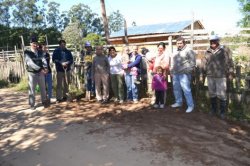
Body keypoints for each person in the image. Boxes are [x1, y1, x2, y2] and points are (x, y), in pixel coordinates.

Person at [200, 35, 234, 119]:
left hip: (221, 76)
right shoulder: (207, 51)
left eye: (214, 41)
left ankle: (222, 112)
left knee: (222, 95)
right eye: (211, 41)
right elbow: (204, 62)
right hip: (210, 76)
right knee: (212, 93)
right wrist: (202, 73)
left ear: (218, 41)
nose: (213, 43)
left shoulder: (224, 50)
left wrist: (231, 72)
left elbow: (230, 61)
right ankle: (213, 109)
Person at [170, 36, 196, 113]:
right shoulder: (175, 51)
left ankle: (190, 106)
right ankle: (178, 102)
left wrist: (188, 71)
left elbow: (193, 63)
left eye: (180, 43)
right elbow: (173, 61)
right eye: (178, 43)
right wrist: (171, 70)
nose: (179, 45)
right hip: (175, 73)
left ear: (184, 43)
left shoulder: (189, 51)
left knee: (186, 90)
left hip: (184, 74)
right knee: (176, 89)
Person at [24, 36, 48, 109]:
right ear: (30, 43)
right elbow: (30, 63)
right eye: (33, 43)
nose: (35, 45)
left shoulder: (40, 51)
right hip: (32, 74)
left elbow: (43, 60)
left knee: (43, 88)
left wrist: (46, 67)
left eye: (36, 43)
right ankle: (32, 104)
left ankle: (44, 101)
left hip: (41, 73)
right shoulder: (27, 52)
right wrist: (40, 69)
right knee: (32, 89)